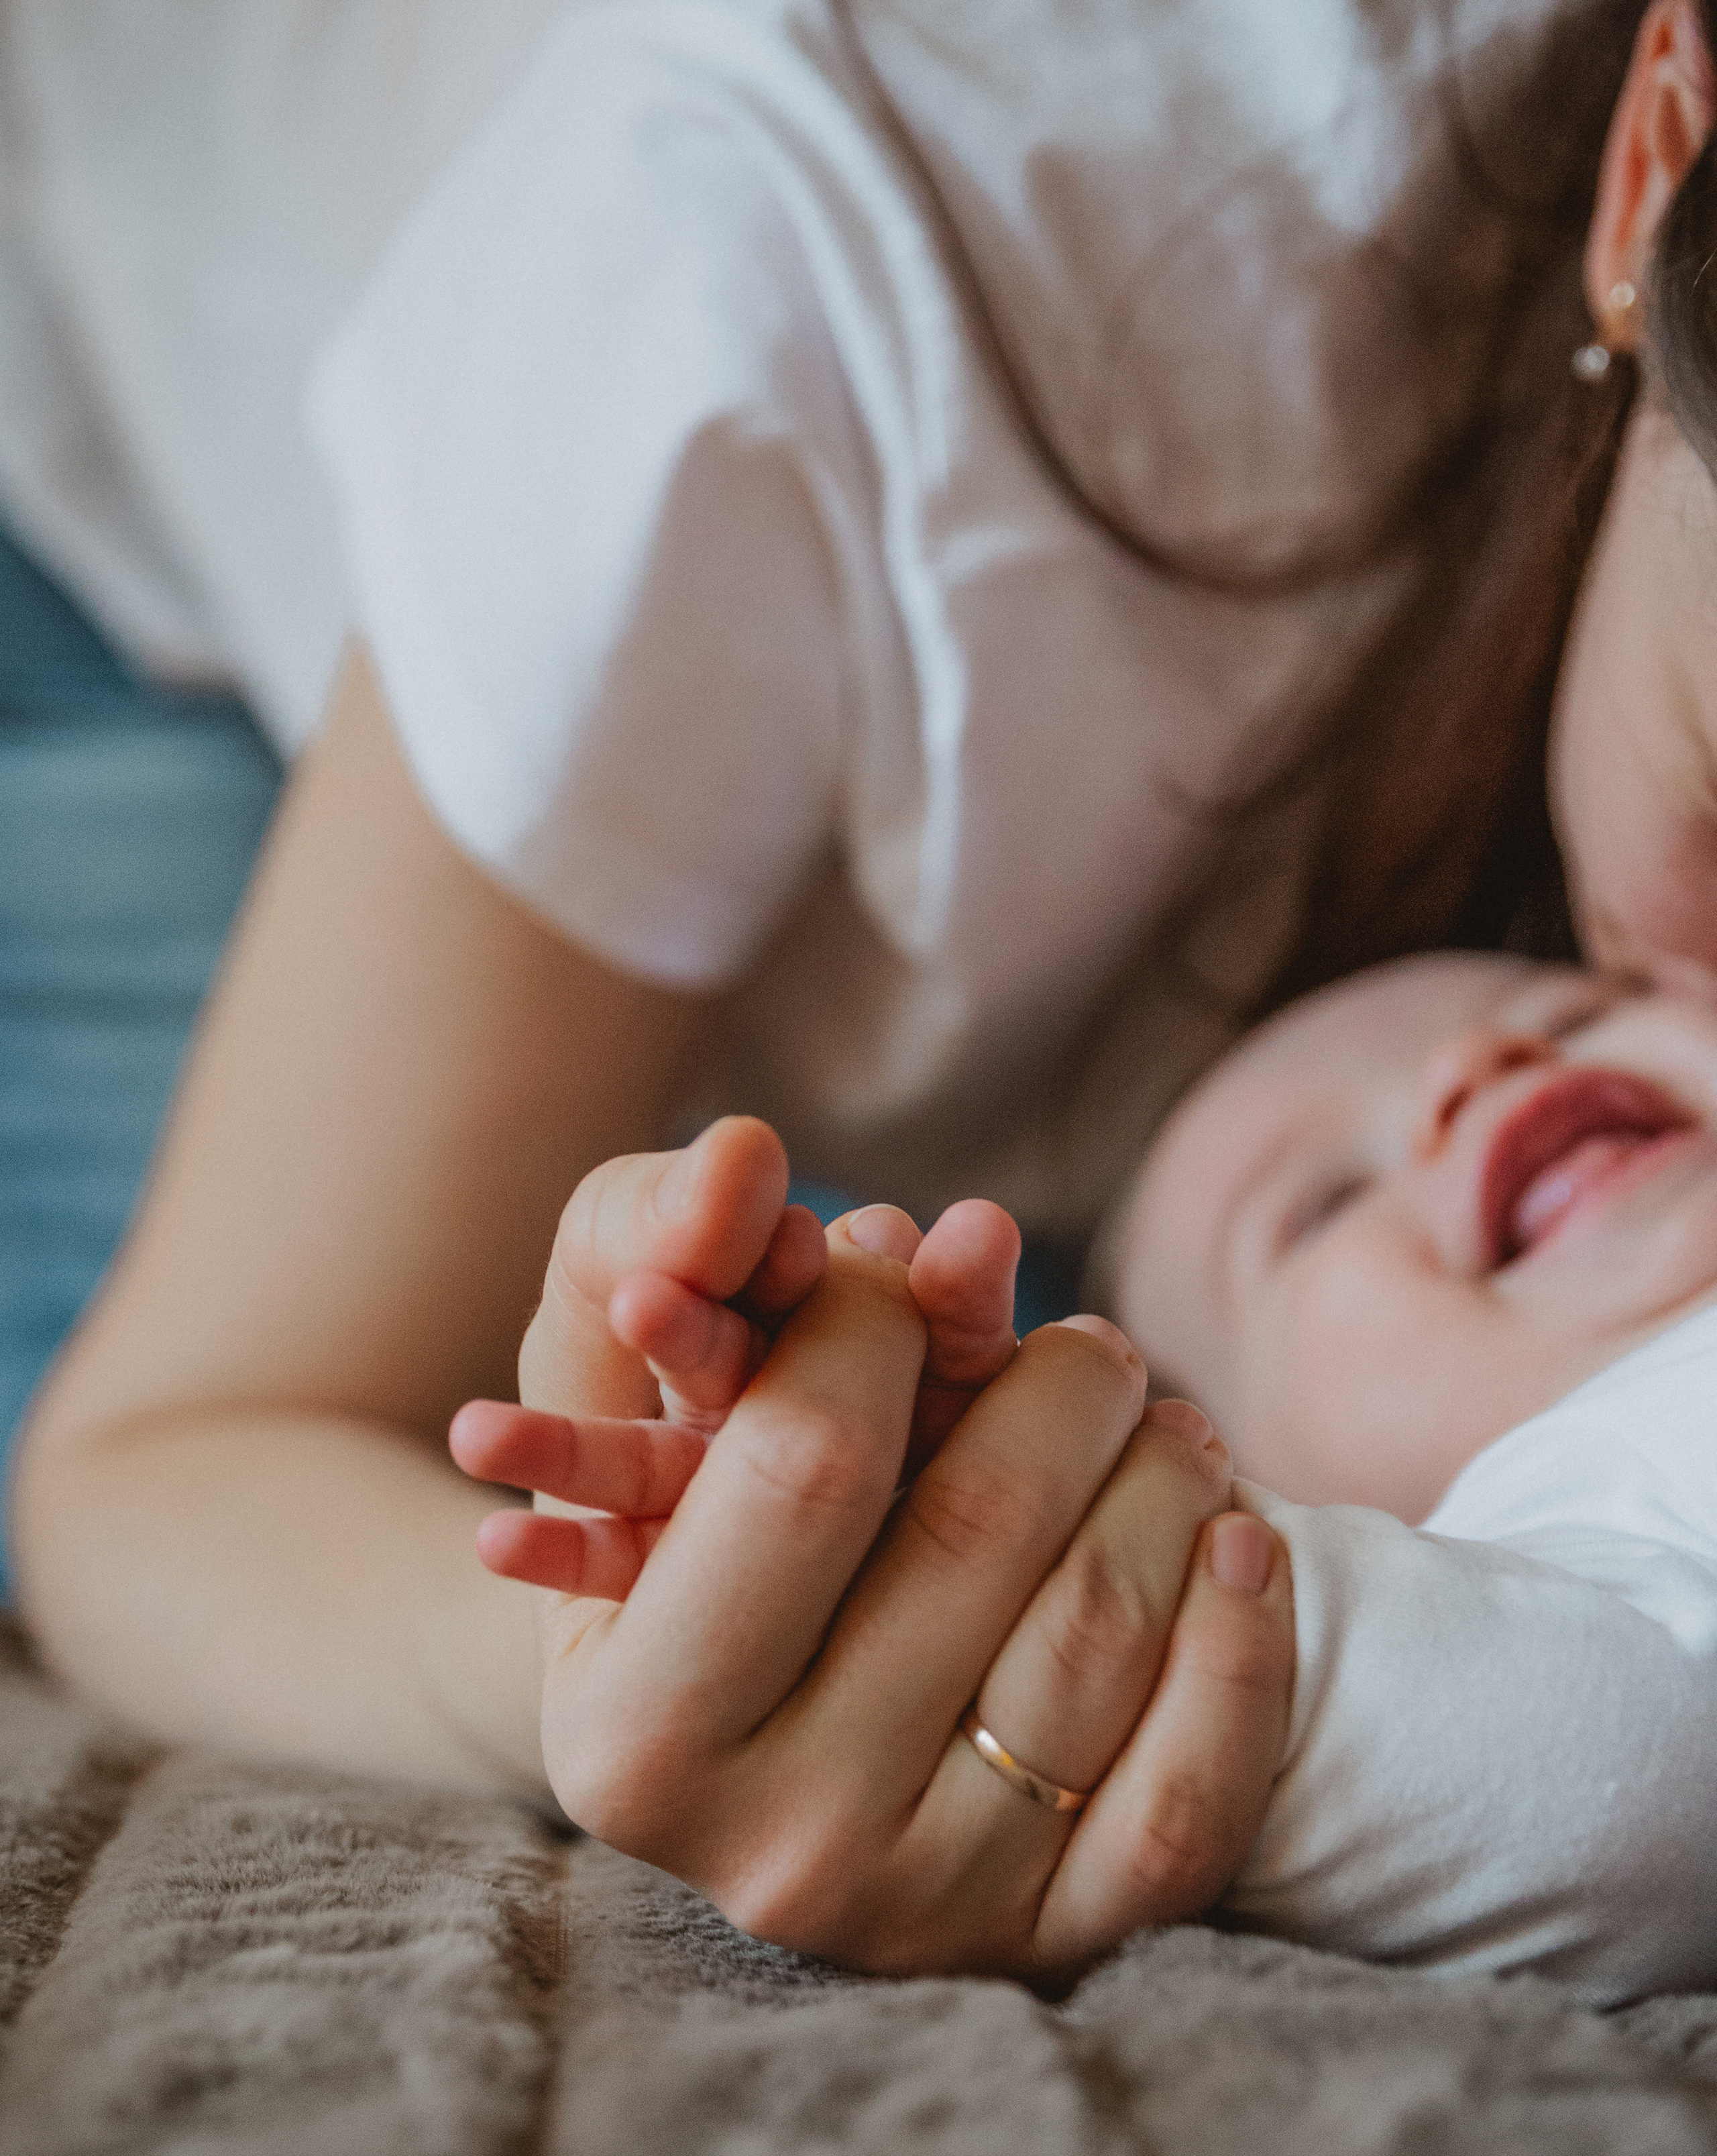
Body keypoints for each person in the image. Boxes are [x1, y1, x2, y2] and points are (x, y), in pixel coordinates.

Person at [0, 0, 1689, 1929]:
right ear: (1652, 168)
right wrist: (637, 1664)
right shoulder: (817, 261)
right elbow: (168, 1456)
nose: (1501, 1072)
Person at [463, 949, 1717, 2006]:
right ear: (1232, 1482)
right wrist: (984, 1584)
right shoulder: (1578, 1546)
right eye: (1322, 1207)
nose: (1477, 1067)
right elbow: (1611, 1768)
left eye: (1573, 1012)